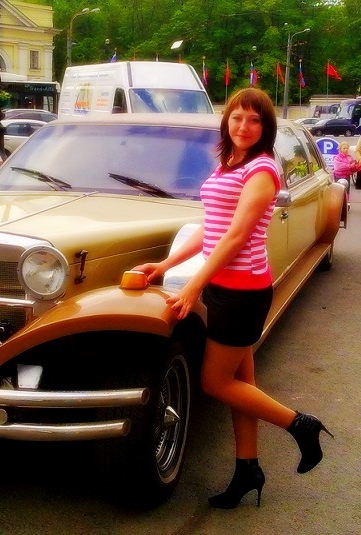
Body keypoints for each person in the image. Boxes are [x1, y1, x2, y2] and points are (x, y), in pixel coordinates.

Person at [132, 87, 333, 509]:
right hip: (224, 286)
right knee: (243, 385)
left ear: (266, 127)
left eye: (254, 120)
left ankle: (300, 425)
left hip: (243, 291)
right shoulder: (228, 164)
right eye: (237, 117)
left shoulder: (262, 170)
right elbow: (212, 227)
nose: (244, 126)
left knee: (215, 382)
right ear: (227, 121)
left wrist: (192, 285)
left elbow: (237, 235)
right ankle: (247, 470)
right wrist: (165, 265)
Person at [333, 141, 360, 207]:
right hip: (338, 176)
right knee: (339, 190)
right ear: (340, 149)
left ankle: (347, 202)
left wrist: (357, 167)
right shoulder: (337, 157)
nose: (346, 150)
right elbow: (338, 166)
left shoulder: (349, 157)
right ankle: (338, 202)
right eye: (344, 148)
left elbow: (353, 168)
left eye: (347, 148)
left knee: (347, 190)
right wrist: (349, 166)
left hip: (346, 176)